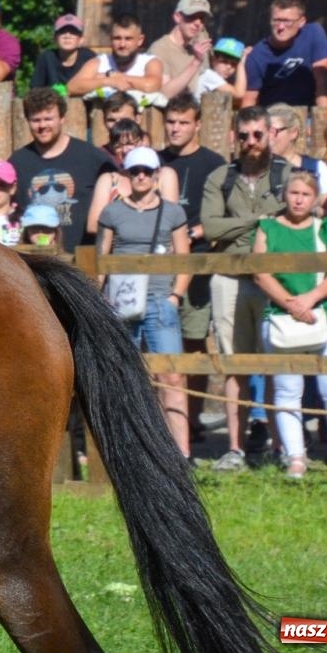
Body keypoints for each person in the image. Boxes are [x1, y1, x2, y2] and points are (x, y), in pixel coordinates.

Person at [201, 106, 291, 471]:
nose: (251, 142)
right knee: (234, 365)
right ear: (233, 138)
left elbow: (294, 218)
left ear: (270, 134)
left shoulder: (287, 174)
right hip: (229, 278)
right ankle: (235, 448)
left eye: (258, 134)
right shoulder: (219, 178)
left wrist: (236, 225)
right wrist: (259, 220)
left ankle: (280, 446)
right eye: (244, 136)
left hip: (275, 278)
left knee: (275, 364)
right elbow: (210, 229)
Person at [251, 170, 327, 479]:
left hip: (326, 313)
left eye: (306, 195)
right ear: (286, 195)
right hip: (282, 317)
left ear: (315, 198)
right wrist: (291, 303)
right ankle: (295, 456)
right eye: (294, 193)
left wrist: (311, 298)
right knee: (287, 388)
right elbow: (260, 272)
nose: (298, 199)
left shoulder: (326, 228)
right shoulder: (267, 228)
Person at [97, 145, 192, 456]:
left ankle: (181, 453)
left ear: (155, 175)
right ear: (127, 174)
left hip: (159, 300)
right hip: (120, 302)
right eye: (135, 171)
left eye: (146, 172)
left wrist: (175, 296)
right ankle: (130, 448)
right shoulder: (111, 212)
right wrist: (99, 303)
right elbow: (101, 260)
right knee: (124, 375)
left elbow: (184, 258)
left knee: (172, 376)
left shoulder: (173, 212)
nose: (140, 177)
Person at [160, 93, 227, 437]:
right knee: (157, 345)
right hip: (157, 266)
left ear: (197, 124)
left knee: (194, 340)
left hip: (197, 262)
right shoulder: (153, 161)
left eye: (183, 122)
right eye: (170, 121)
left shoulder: (213, 163)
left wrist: (196, 230)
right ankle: (164, 421)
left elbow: (223, 214)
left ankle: (195, 415)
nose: (176, 128)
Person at [8, 88, 115, 254]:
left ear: (62, 118)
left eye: (48, 119)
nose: (42, 125)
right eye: (36, 120)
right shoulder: (17, 162)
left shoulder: (91, 157)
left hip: (83, 259)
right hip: (35, 259)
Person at [84, 118, 179, 236]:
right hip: (119, 249)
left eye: (130, 144)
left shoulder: (164, 175)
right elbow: (93, 226)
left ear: (141, 142)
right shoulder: (109, 180)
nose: (124, 150)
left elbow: (171, 219)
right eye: (118, 146)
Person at [242, 0, 327, 108]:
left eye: (287, 21)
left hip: (309, 112)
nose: (281, 27)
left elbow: (321, 80)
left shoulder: (313, 33)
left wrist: (324, 117)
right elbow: (250, 98)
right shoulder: (257, 55)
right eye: (276, 20)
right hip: (273, 115)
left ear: (301, 22)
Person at [67, 13, 166, 108]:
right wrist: (109, 81)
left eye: (128, 39)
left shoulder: (150, 62)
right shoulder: (99, 62)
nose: (122, 44)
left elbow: (152, 85)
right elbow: (72, 87)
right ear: (111, 39)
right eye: (117, 38)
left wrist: (114, 75)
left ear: (140, 40)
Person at [264, 104, 327, 203]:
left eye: (273, 131)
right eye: (264, 132)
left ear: (293, 133)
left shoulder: (316, 168)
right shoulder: (257, 169)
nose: (268, 137)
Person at [150, 0, 214, 100]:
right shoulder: (160, 49)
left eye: (202, 19)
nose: (198, 23)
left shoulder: (199, 47)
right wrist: (196, 62)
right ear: (177, 17)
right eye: (192, 16)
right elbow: (163, 95)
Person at [31, 14, 92, 93]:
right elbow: (35, 89)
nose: (67, 36)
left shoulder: (90, 58)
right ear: (55, 39)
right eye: (62, 32)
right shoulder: (46, 57)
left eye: (73, 32)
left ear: (81, 40)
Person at [197, 37, 247, 104]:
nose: (229, 67)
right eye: (224, 62)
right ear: (213, 60)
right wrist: (241, 64)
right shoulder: (209, 75)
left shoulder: (220, 79)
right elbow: (239, 94)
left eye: (234, 64)